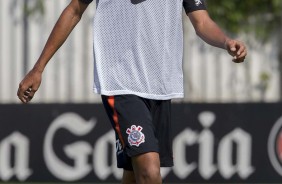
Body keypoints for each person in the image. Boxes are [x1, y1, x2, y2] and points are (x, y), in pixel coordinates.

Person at [17, 0, 247, 183]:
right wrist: (38, 68)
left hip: (160, 86)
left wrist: (226, 41)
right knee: (149, 170)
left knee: (134, 175)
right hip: (120, 81)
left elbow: (202, 22)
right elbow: (75, 9)